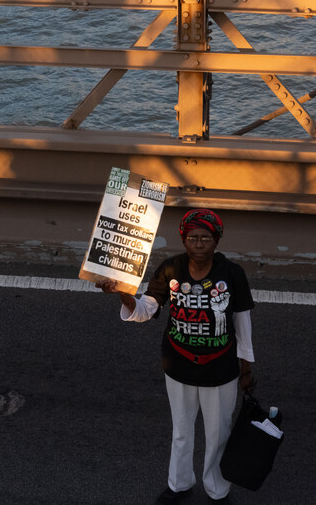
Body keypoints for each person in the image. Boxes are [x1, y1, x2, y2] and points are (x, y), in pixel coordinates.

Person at [97, 208, 255, 505]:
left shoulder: (233, 273)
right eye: (192, 238)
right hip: (178, 365)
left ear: (216, 241)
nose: (198, 244)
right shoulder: (170, 269)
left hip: (221, 369)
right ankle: (179, 484)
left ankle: (217, 491)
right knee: (181, 431)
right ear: (184, 240)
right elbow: (146, 310)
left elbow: (242, 321)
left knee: (218, 434)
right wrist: (122, 294)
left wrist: (246, 367)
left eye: (205, 238)